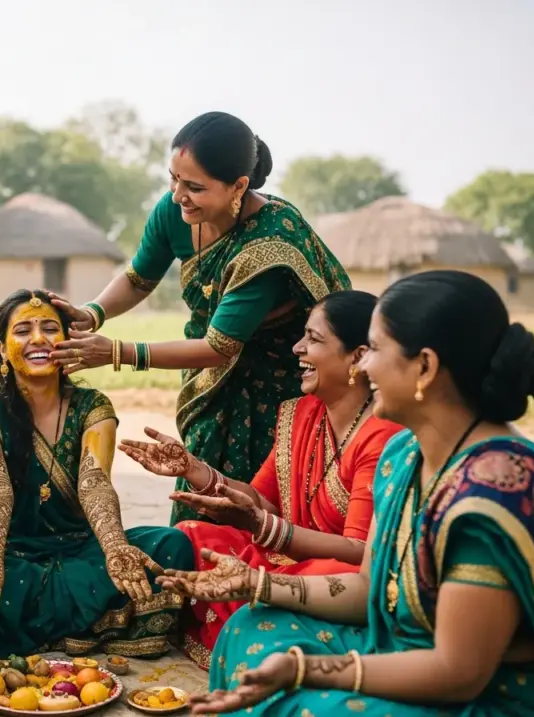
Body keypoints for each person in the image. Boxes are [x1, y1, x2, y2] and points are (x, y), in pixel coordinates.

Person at [156, 270, 534, 716]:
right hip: (399, 643)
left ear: (425, 367)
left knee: (303, 701)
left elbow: (458, 672)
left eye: (374, 349)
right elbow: (366, 586)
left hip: (487, 692)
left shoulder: (494, 492)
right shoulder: (404, 455)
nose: (364, 365)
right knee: (250, 625)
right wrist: (259, 584)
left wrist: (310, 669)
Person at [46, 112, 350, 526]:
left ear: (239, 186)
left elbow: (218, 347)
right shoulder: (176, 211)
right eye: (173, 179)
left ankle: (263, 579)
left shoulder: (269, 243)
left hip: (277, 384)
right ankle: (196, 564)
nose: (177, 195)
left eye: (194, 187)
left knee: (264, 498)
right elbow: (139, 278)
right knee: (200, 477)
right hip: (213, 380)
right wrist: (91, 313)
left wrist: (116, 352)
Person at [120, 290, 401, 666]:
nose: (298, 348)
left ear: (358, 356)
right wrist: (194, 470)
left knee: (330, 572)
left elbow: (358, 550)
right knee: (190, 533)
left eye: (314, 339)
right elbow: (261, 498)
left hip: (334, 573)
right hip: (281, 557)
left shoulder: (381, 435)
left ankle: (252, 624)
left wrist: (267, 529)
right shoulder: (302, 413)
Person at [0, 289, 194, 659]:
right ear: (2, 349)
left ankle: (25, 629)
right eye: (22, 331)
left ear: (68, 341)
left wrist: (114, 549)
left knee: (171, 545)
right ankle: (97, 624)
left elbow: (95, 482)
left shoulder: (92, 406)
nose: (38, 339)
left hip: (80, 547)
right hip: (8, 553)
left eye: (50, 328)